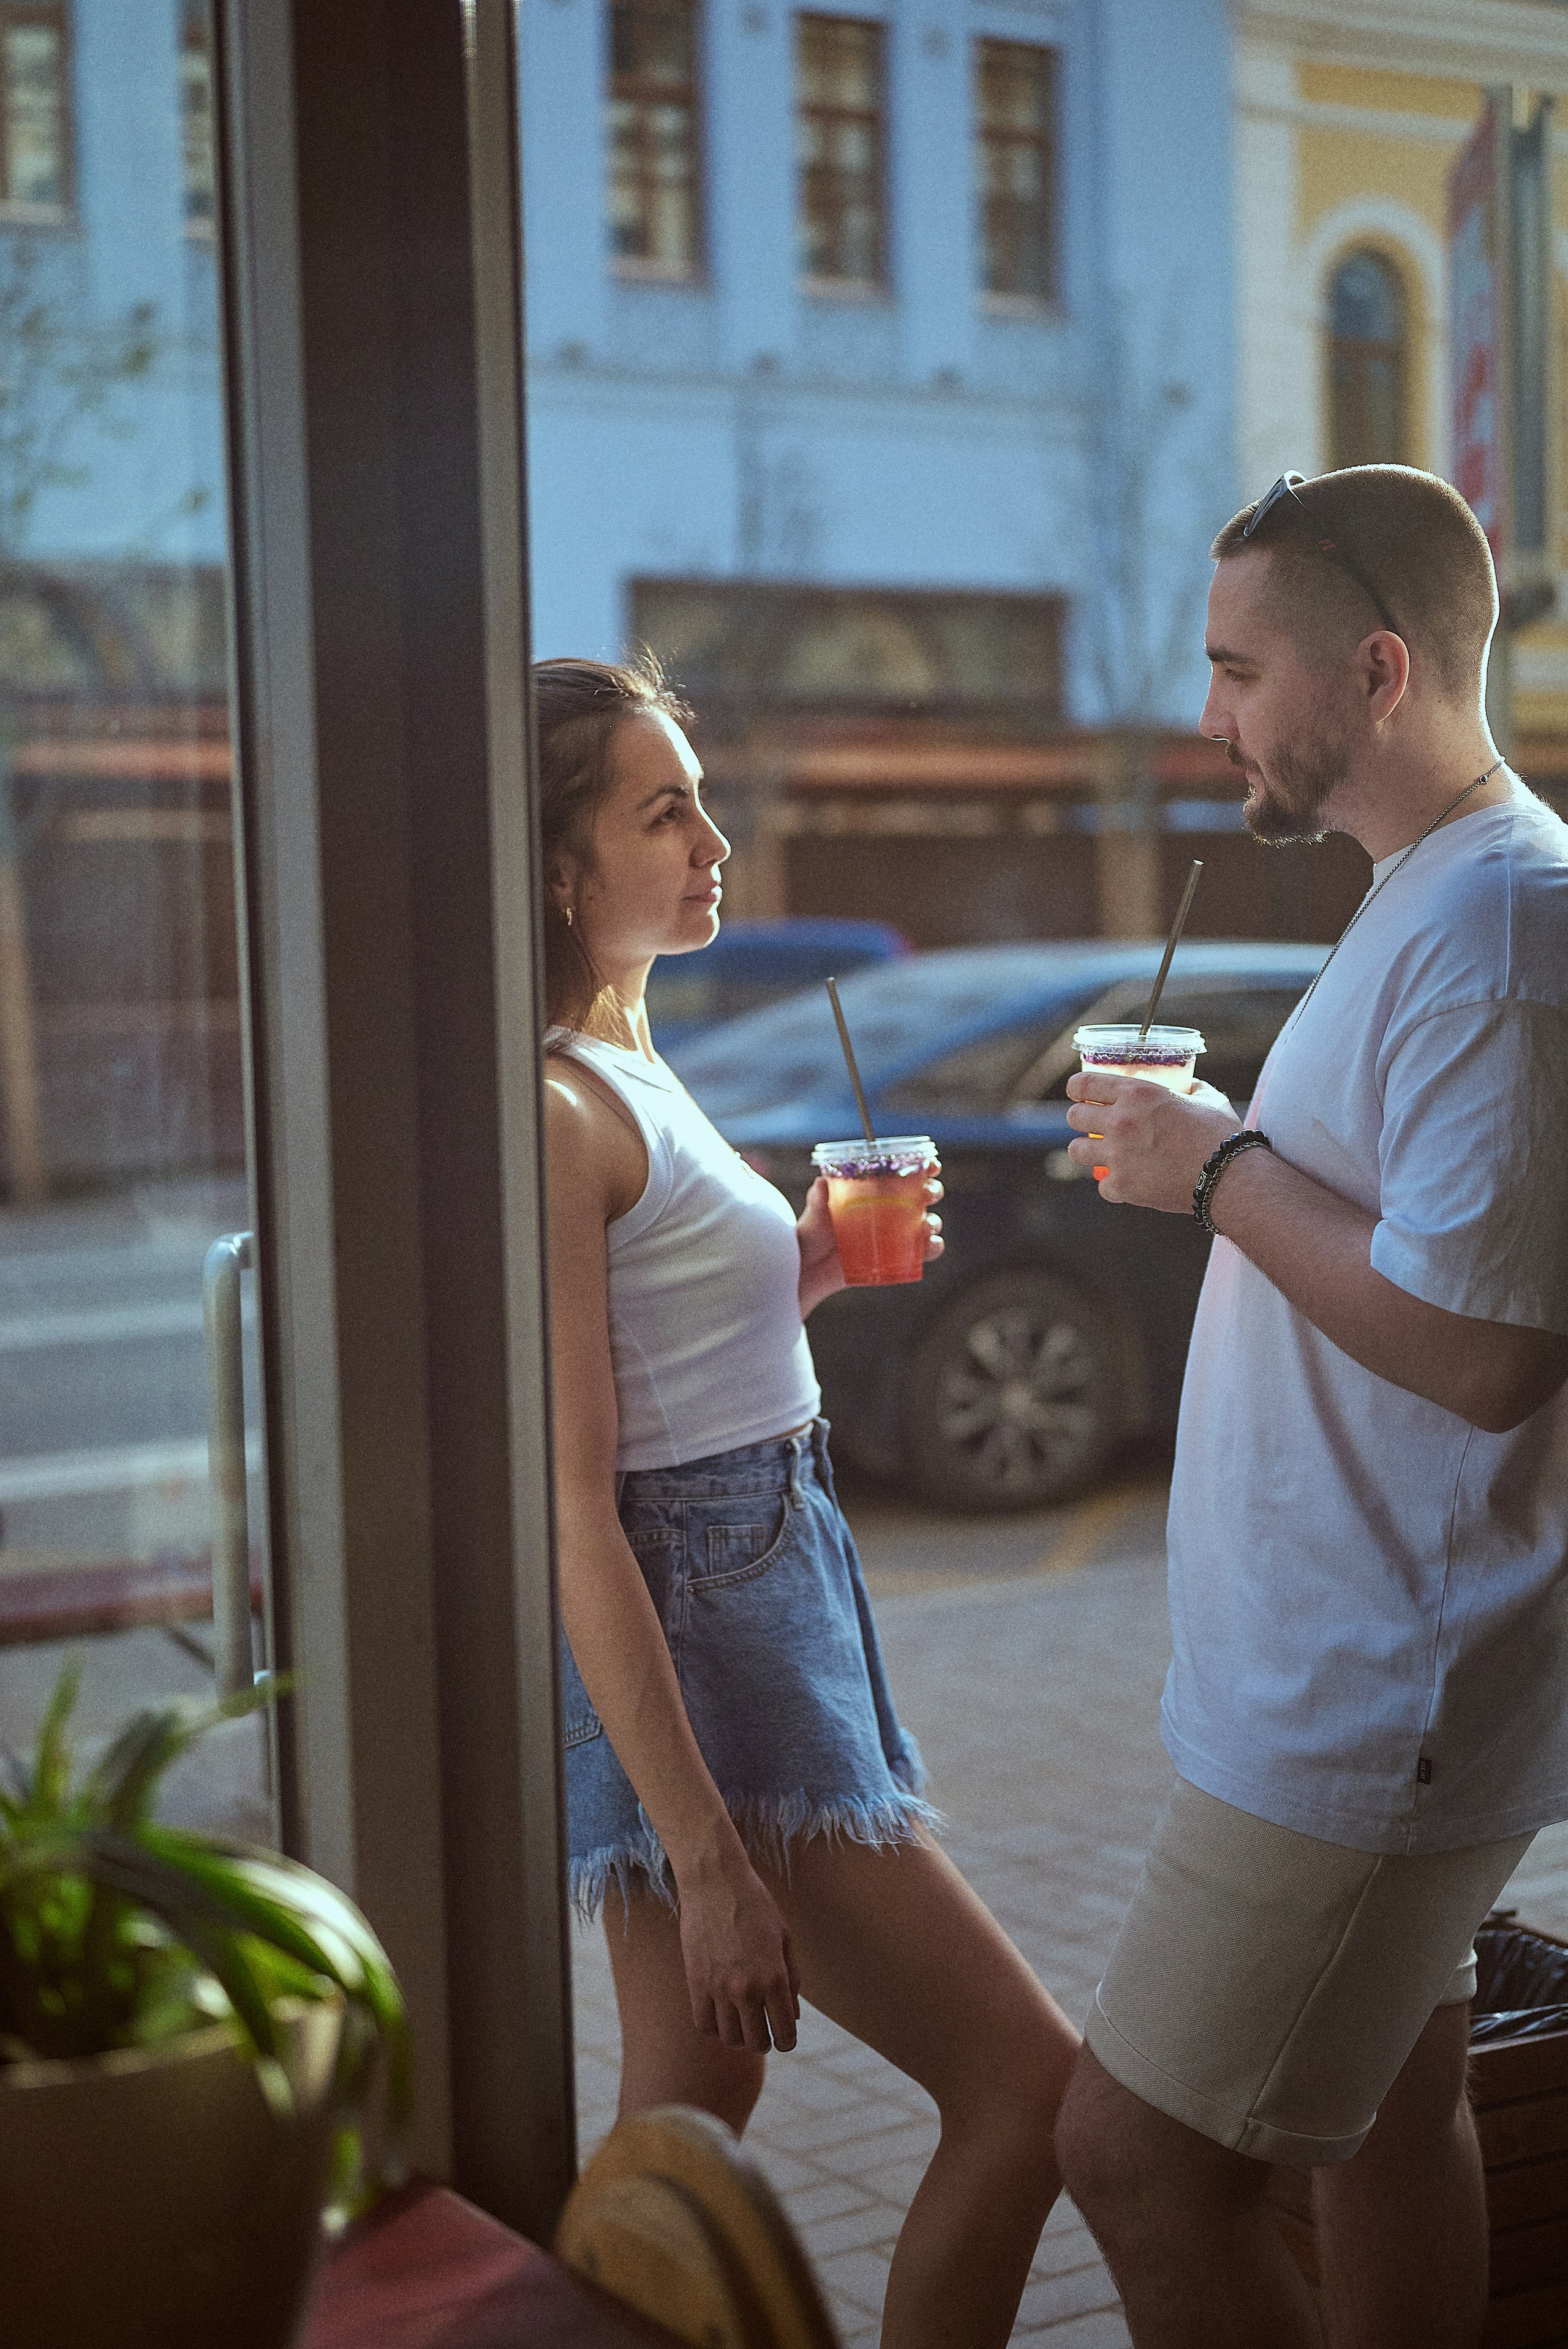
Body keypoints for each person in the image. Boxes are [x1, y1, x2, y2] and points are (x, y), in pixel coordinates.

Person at [1052, 466, 1568, 2349]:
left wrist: (1213, 1169)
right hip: (1351, 1668)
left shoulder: (1505, 929)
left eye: (1235, 666)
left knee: (1130, 2152)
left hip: (1376, 1701)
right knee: (1384, 2120)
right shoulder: (1428, 898)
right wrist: (1223, 1163)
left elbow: (1493, 1348)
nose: (1210, 713)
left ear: (1373, 669)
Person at [537, 653, 1077, 2349]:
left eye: (701, 793)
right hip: (709, 1624)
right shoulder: (557, 1105)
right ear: (560, 869)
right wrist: (705, 1853)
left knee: (676, 2144)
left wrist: (821, 1260)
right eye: (663, 807)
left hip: (760, 1578)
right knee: (1030, 2087)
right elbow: (577, 1495)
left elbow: (699, 1343)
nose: (713, 835)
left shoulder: (633, 1051)